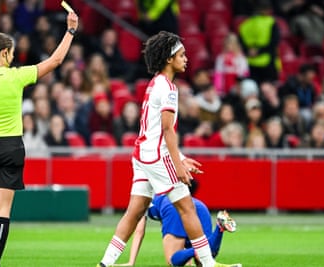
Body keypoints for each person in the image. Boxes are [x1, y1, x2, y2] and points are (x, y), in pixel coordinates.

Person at [96, 31, 238, 267]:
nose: (186, 59)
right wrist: (177, 162)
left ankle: (105, 263)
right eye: (182, 54)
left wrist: (180, 156)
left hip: (141, 155)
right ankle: (208, 264)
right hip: (157, 158)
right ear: (169, 58)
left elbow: (154, 131)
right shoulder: (169, 88)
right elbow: (167, 129)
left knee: (133, 213)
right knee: (187, 207)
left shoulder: (154, 85)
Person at [0, 11, 78, 267]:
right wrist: (70, 31)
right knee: (3, 210)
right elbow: (55, 60)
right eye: (12, 52)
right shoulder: (17, 76)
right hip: (12, 148)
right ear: (5, 53)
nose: (14, 56)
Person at [113, 195, 238, 267]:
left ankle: (199, 248)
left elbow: (139, 232)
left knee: (172, 260)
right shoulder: (164, 184)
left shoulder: (143, 197)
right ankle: (219, 228)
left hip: (173, 208)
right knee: (207, 259)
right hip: (197, 205)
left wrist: (131, 262)